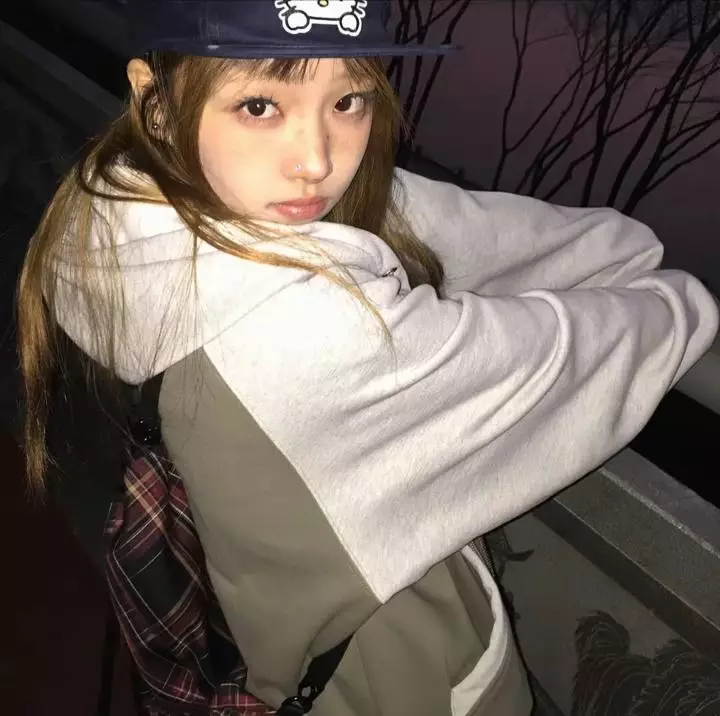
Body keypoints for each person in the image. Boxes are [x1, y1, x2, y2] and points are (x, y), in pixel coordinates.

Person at [16, 1, 719, 715]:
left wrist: (623, 249)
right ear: (157, 103)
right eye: (259, 105)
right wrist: (685, 299)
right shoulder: (313, 331)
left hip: (264, 630)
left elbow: (449, 223)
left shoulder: (116, 211)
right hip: (402, 681)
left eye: (348, 101)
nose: (317, 162)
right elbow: (572, 357)